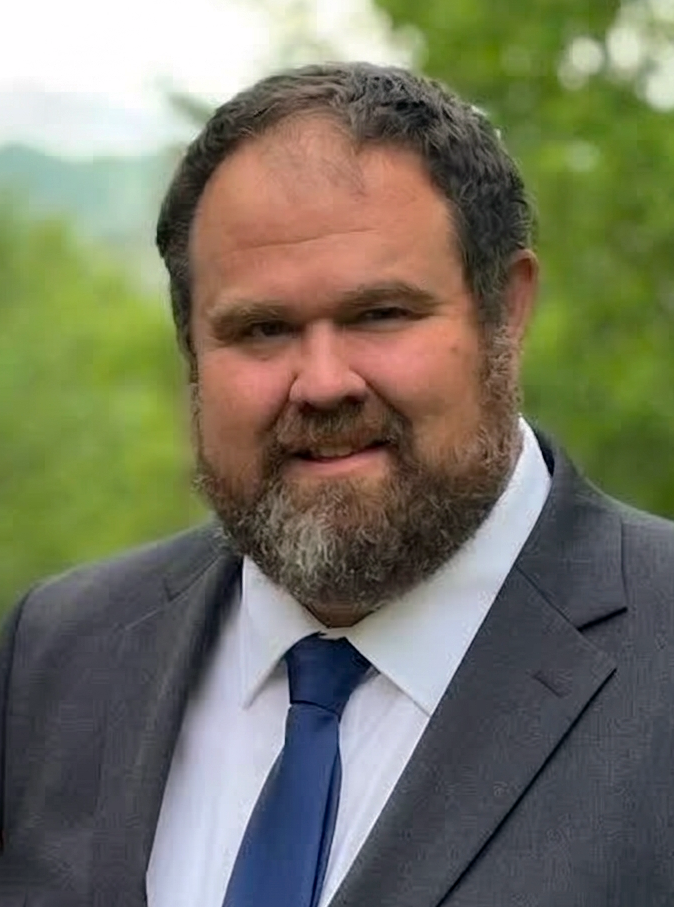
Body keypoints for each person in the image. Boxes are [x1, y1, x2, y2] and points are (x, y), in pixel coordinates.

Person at [1, 61, 673, 907]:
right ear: (191, 350)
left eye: (380, 314)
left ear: (507, 310)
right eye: (261, 328)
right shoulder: (59, 654)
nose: (323, 383)